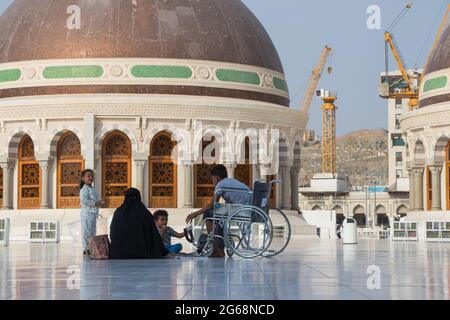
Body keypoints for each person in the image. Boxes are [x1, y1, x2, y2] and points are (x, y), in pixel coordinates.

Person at [186, 164, 252, 257]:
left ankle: (216, 248)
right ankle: (219, 247)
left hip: (240, 210)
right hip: (247, 209)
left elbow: (212, 205)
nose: (212, 181)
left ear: (216, 177)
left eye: (212, 178)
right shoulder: (231, 181)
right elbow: (217, 205)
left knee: (208, 214)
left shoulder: (221, 184)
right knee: (219, 216)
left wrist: (195, 213)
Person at [109, 188, 168, 259]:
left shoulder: (119, 212)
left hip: (119, 253)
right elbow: (154, 235)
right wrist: (163, 251)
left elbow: (113, 232)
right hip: (142, 252)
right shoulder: (144, 213)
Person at [79, 169, 104, 255]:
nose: (91, 177)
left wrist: (99, 203)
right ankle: (85, 249)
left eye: (92, 176)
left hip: (93, 214)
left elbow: (95, 200)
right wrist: (96, 203)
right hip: (87, 214)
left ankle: (91, 247)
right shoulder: (84, 189)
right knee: (86, 231)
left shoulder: (93, 189)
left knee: (92, 232)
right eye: (88, 176)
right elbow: (84, 201)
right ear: (83, 178)